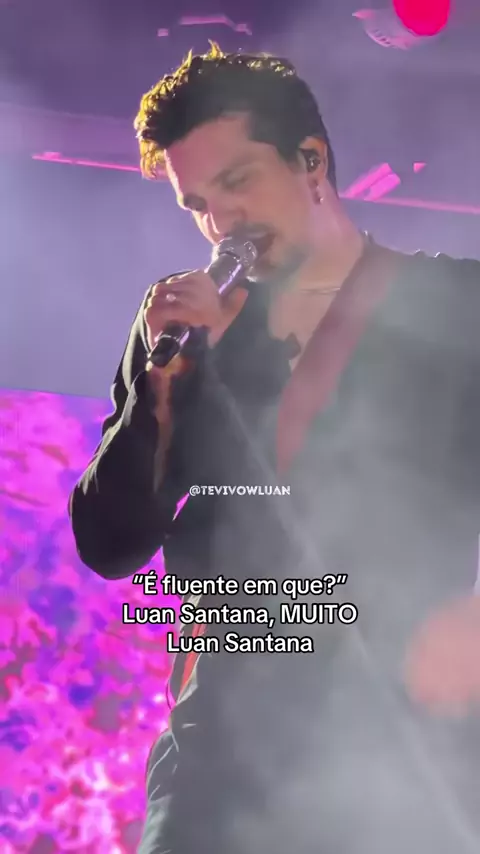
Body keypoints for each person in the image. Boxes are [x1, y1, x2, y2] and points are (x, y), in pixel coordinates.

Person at [69, 43, 480, 854]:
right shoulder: (181, 332)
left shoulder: (454, 305)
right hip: (220, 755)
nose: (221, 223)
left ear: (311, 160)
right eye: (197, 203)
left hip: (406, 750)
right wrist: (160, 395)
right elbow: (111, 545)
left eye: (239, 181)